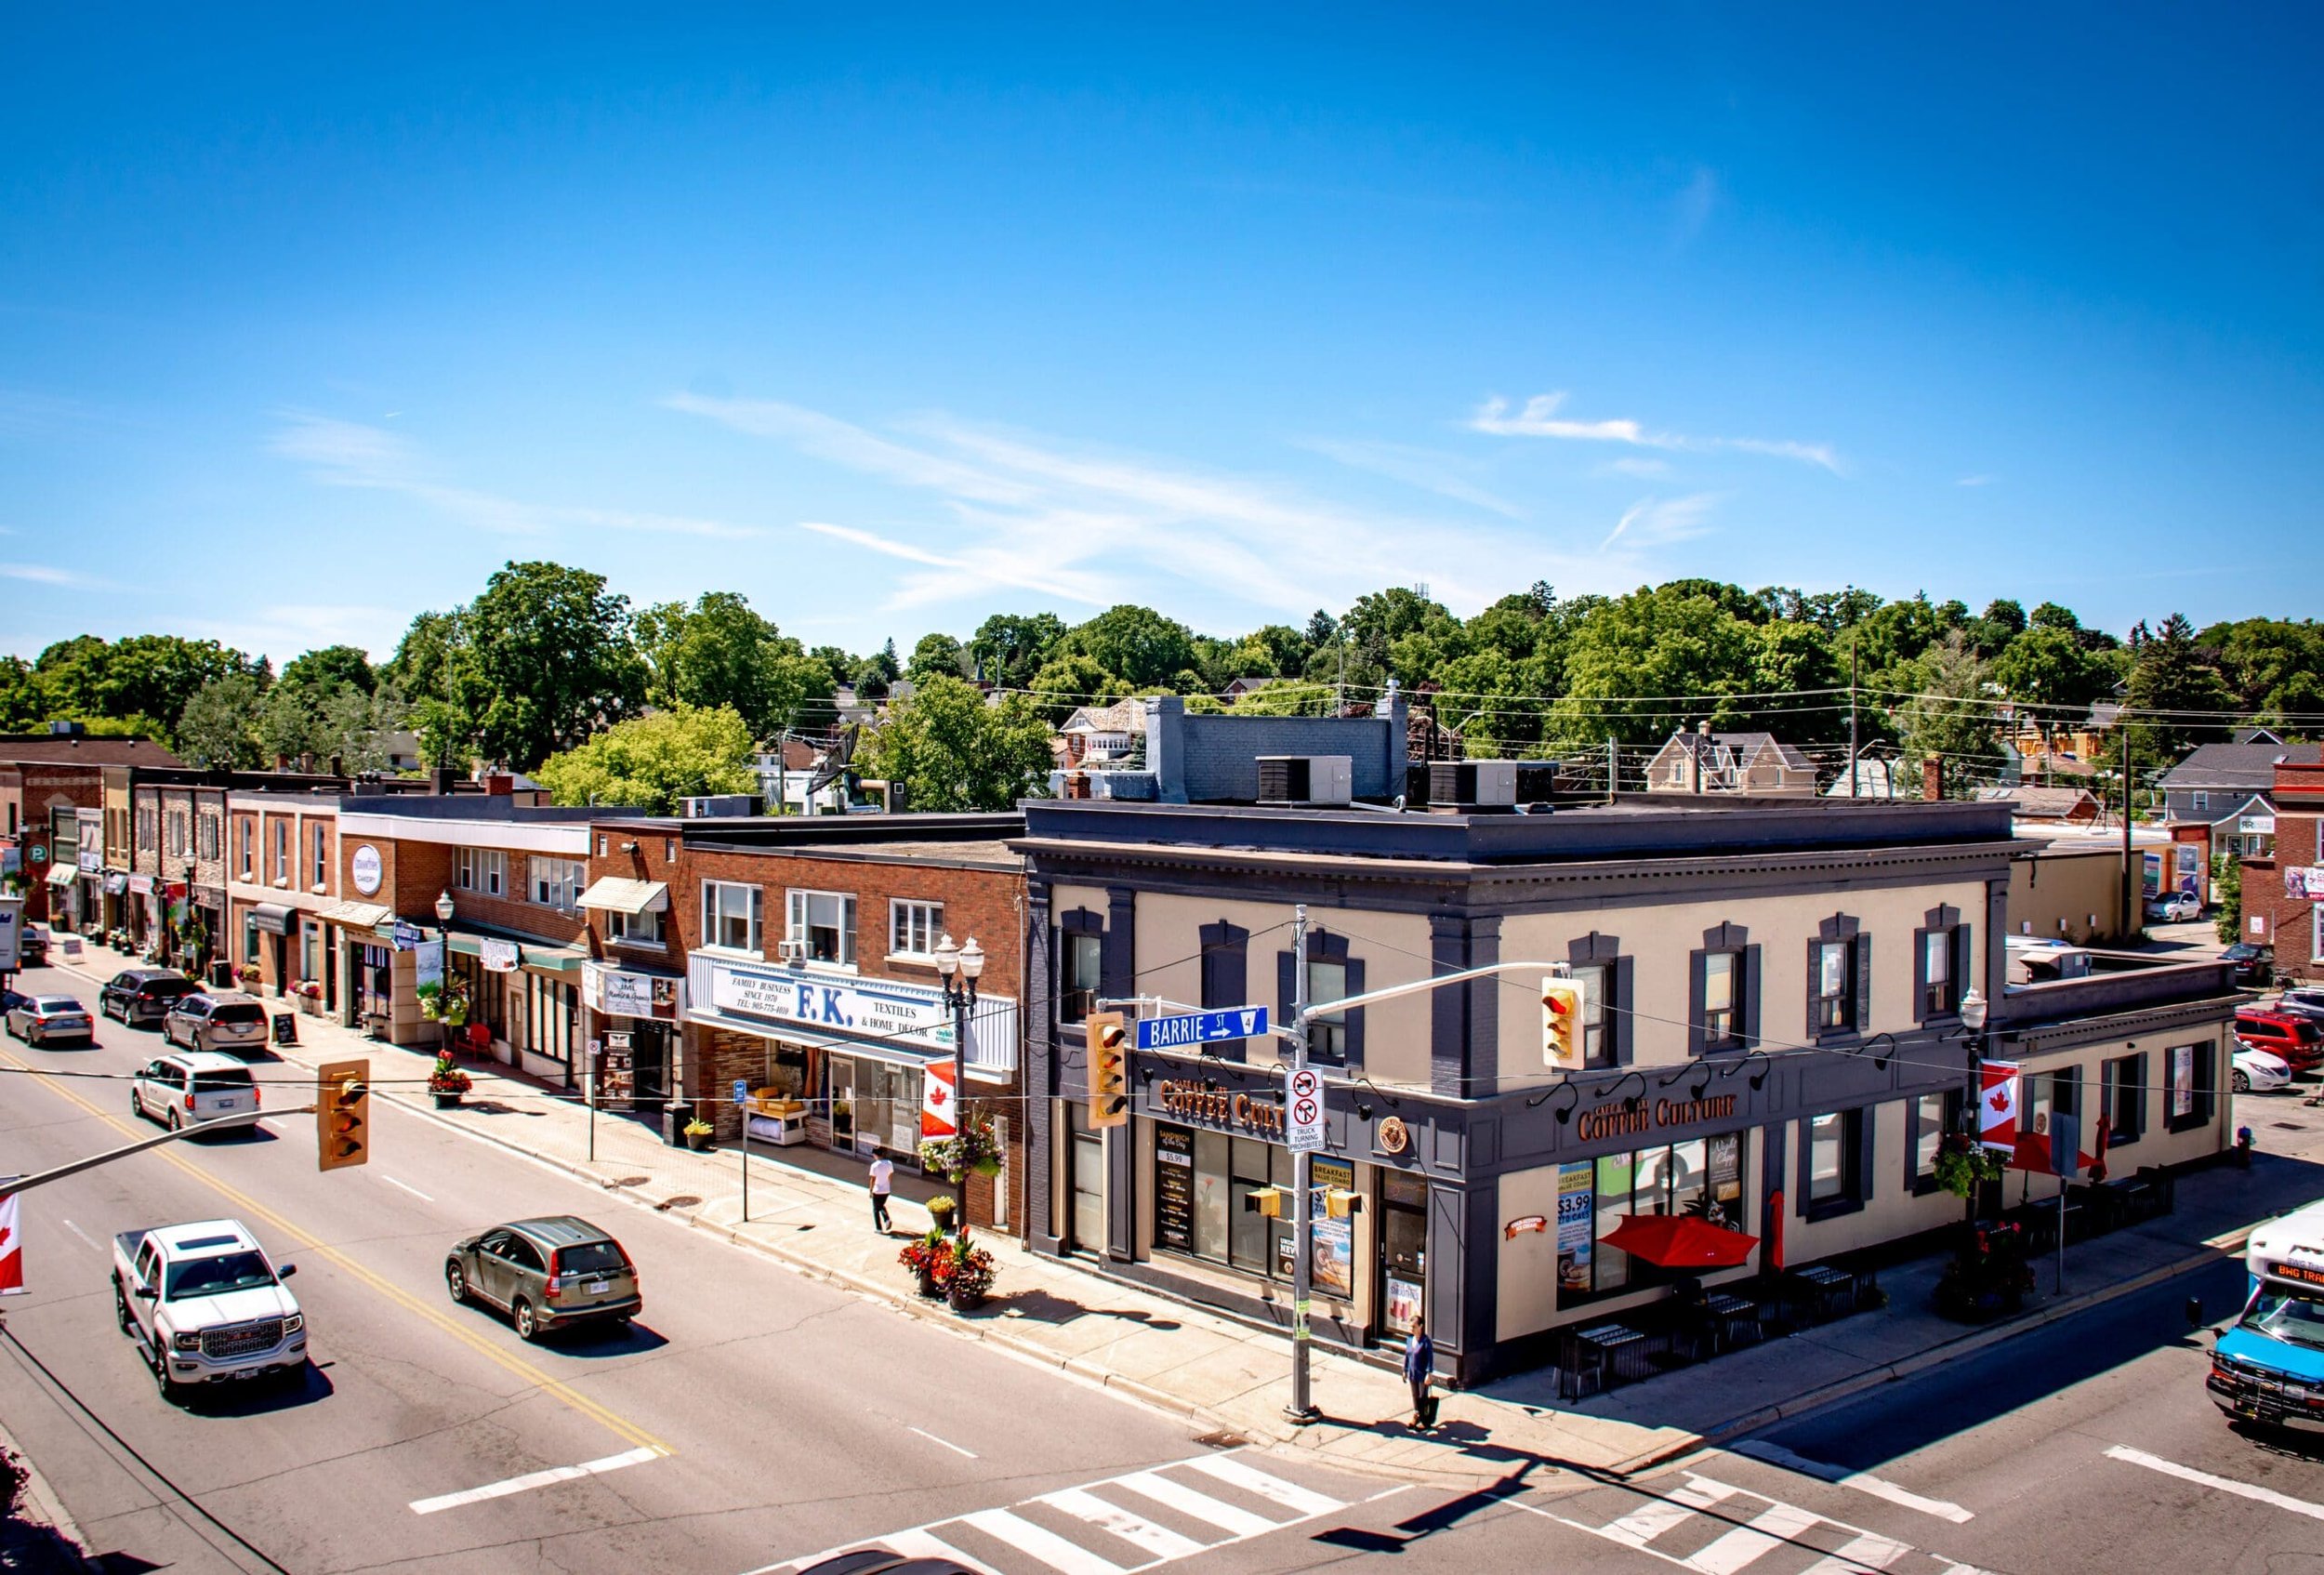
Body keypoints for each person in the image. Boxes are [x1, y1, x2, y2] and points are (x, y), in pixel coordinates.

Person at [1403, 1313, 1435, 1429]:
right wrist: (1405, 1370)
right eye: (1410, 1327)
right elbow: (1407, 1355)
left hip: (1422, 1374)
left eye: (1414, 1327)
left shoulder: (1425, 1341)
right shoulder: (1409, 1339)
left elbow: (1430, 1358)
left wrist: (1429, 1373)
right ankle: (1416, 1414)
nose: (1412, 1329)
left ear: (1421, 1326)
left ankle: (1425, 1419)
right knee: (1415, 1395)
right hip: (1412, 1373)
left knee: (1423, 1397)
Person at [868, 1152, 895, 1231]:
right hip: (886, 1190)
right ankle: (887, 1220)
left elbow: (873, 1179)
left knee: (876, 1209)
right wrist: (887, 1184)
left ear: (876, 1155)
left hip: (877, 1190)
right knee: (880, 1206)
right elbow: (890, 1175)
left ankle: (879, 1228)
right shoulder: (889, 1163)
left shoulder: (874, 1165)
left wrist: (870, 1190)